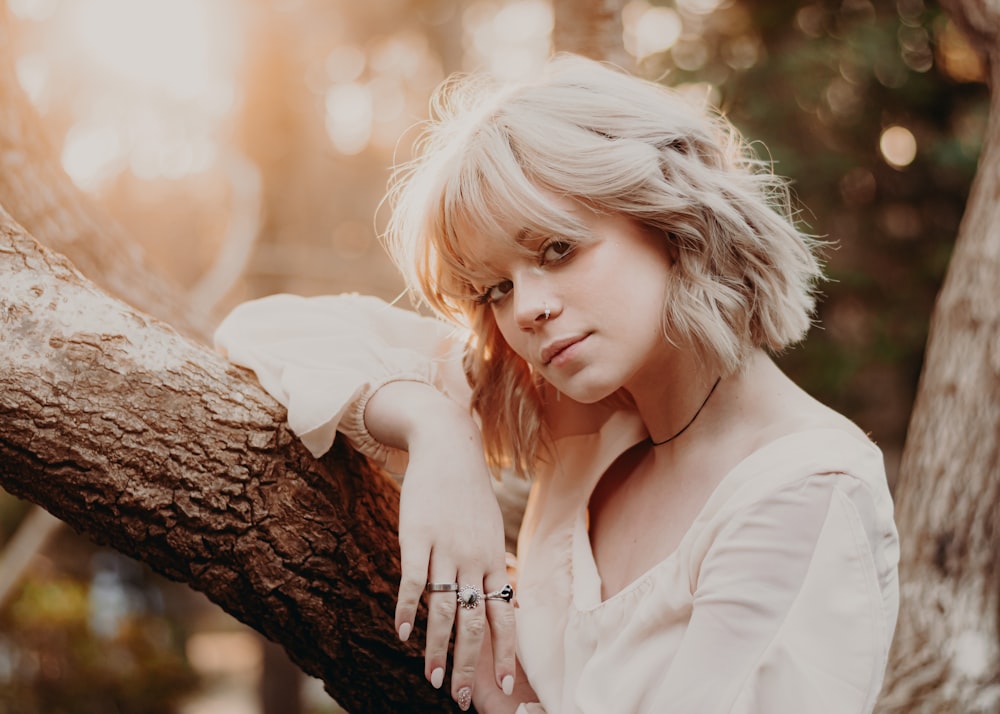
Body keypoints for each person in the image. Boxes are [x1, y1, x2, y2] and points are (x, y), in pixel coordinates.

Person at [215, 54, 899, 713]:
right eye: (496, 288)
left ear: (668, 217)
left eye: (557, 249)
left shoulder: (805, 494)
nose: (528, 310)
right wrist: (437, 429)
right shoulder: (582, 411)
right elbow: (262, 330)